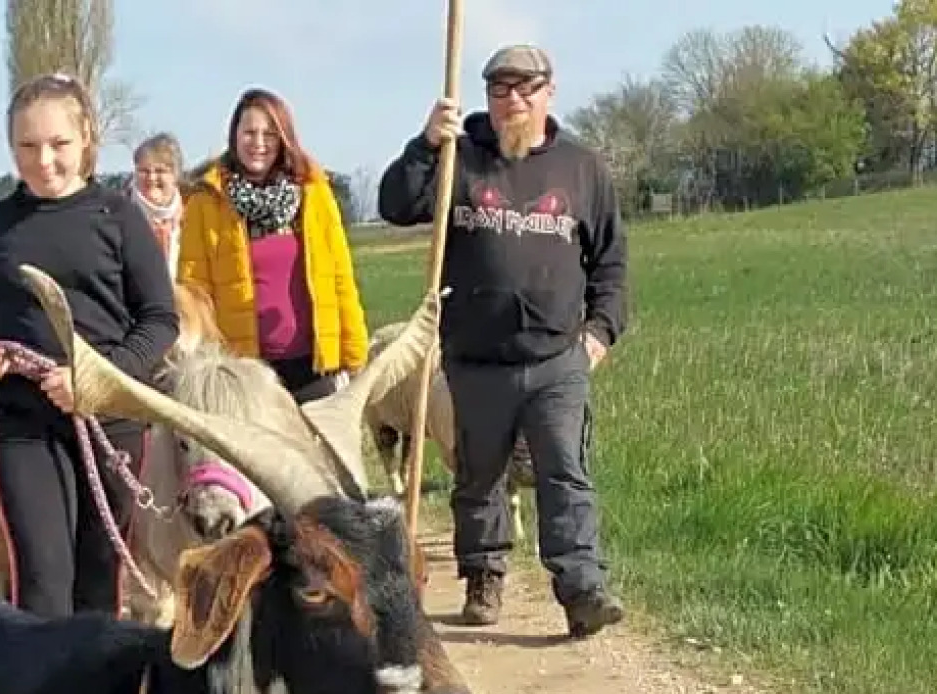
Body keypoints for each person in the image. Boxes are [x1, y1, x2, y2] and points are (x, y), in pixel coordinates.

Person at [376, 43, 628, 637]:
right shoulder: (459, 157)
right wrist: (425, 145)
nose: (511, 99)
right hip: (475, 358)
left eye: (525, 87)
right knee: (478, 474)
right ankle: (483, 576)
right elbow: (396, 205)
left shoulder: (582, 168)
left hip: (557, 356)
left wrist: (600, 333)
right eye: (498, 89)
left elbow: (611, 263)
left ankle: (582, 588)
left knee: (565, 472)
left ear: (549, 92)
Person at [0, 73, 181, 618]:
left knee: (100, 583)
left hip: (111, 421)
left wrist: (98, 379)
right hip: (25, 427)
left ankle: (95, 675)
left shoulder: (119, 218)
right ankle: (39, 674)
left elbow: (159, 320)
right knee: (42, 582)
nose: (44, 160)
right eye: (27, 146)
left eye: (59, 143)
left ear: (86, 140)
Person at [176, 87, 367, 404]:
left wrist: (355, 355)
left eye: (269, 134)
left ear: (284, 139)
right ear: (234, 136)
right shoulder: (206, 204)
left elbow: (339, 279)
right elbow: (195, 293)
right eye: (249, 133)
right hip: (243, 373)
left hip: (312, 367)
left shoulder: (313, 194)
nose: (259, 143)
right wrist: (203, 367)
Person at [129, 132, 186, 272]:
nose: (151, 177)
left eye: (160, 171)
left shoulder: (194, 214)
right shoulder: (118, 216)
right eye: (144, 171)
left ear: (176, 174)